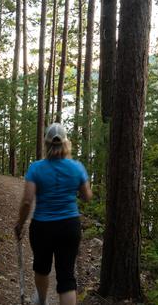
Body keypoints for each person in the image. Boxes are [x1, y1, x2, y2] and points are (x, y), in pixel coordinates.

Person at [14, 123, 93, 305]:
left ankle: (42, 301)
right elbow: (87, 196)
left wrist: (20, 224)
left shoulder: (36, 168)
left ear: (46, 144)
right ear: (66, 144)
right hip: (69, 226)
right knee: (66, 277)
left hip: (42, 227)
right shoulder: (77, 167)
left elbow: (27, 201)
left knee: (41, 268)